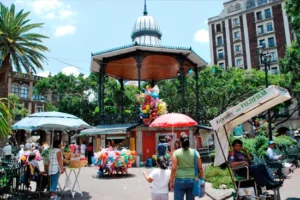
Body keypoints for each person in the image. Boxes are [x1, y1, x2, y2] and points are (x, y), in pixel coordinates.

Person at [170, 133, 204, 200]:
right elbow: (200, 167)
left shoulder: (176, 153)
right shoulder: (195, 152)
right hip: (192, 180)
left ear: (180, 142)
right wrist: (202, 177)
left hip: (179, 180)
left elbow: (173, 168)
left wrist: (171, 181)